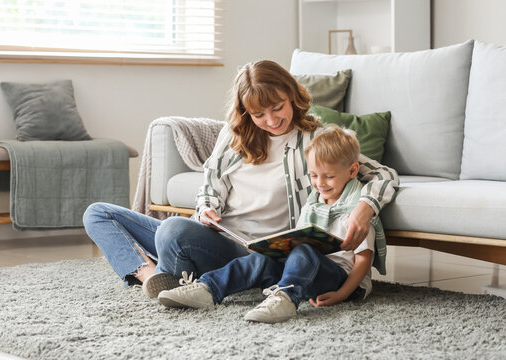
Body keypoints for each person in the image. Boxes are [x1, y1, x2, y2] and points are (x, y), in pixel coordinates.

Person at [82, 60, 398, 298]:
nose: (271, 121)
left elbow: (383, 174)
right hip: (217, 236)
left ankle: (176, 273)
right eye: (259, 115)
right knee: (98, 213)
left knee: (171, 230)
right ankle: (151, 275)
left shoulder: (318, 139)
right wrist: (206, 208)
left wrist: (364, 208)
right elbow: (209, 188)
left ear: (292, 95)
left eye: (278, 108)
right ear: (246, 112)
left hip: (256, 253)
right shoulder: (232, 138)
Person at [156, 124, 385, 323]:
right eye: (314, 176)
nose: (320, 183)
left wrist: (343, 294)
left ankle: (285, 299)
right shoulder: (314, 201)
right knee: (261, 257)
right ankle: (209, 288)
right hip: (302, 271)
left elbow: (363, 259)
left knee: (304, 250)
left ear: (353, 170)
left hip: (337, 277)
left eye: (329, 176)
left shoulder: (358, 210)